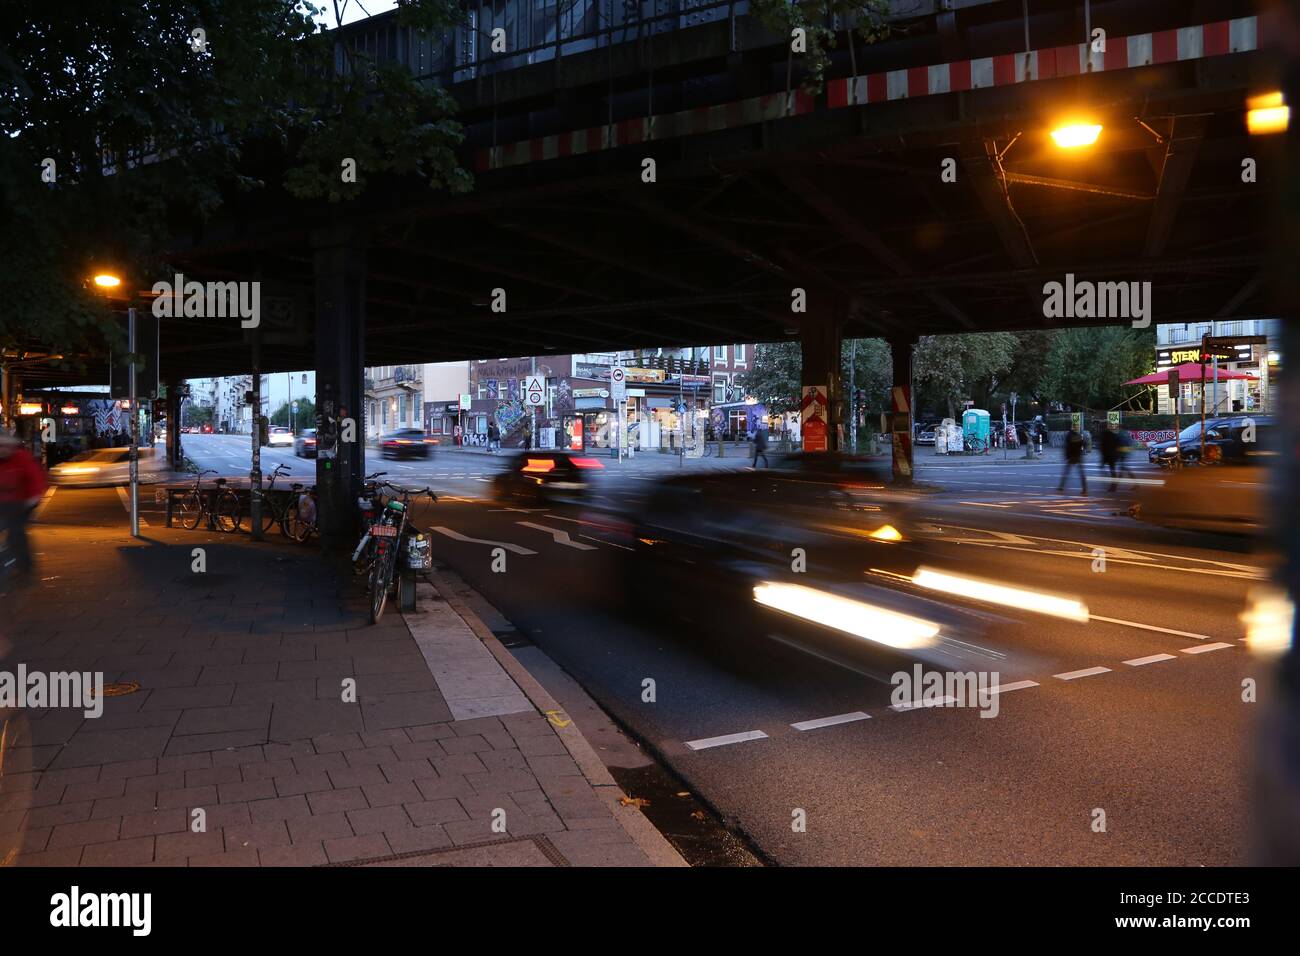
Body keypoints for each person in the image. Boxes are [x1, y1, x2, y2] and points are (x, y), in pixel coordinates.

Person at [0, 431, 49, 581]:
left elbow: (36, 478)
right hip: (3, 500)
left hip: (21, 501)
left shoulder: (21, 458)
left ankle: (24, 567)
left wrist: (33, 499)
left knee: (16, 534)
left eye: (4, 446)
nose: (2, 450)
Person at [1100, 422, 1136, 492]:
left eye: (1118, 427)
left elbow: (1117, 443)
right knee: (1123, 470)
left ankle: (1114, 487)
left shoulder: (1120, 433)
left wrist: (1115, 453)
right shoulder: (1128, 433)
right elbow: (1131, 443)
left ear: (1120, 427)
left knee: (1122, 470)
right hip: (1126, 453)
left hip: (1121, 453)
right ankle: (1115, 486)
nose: (1117, 428)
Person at [1058, 424, 1088, 496]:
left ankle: (1061, 486)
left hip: (1072, 456)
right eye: (1076, 427)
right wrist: (1082, 451)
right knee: (1081, 473)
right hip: (1077, 456)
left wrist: (1066, 456)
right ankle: (1084, 488)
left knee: (1067, 471)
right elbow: (1084, 444)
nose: (1077, 428)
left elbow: (1067, 446)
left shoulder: (1070, 435)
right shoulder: (1078, 435)